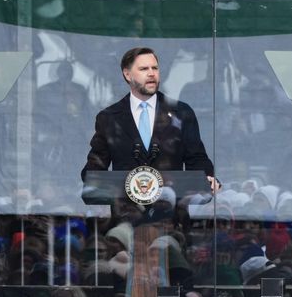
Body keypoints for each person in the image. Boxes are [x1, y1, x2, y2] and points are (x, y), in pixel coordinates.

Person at [82, 47, 220, 191]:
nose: (151, 73)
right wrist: (94, 180)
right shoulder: (109, 118)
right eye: (143, 69)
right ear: (127, 74)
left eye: (155, 68)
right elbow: (95, 166)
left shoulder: (181, 112)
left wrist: (207, 178)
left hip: (171, 202)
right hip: (126, 204)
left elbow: (197, 158)